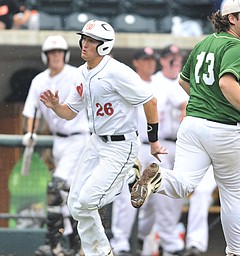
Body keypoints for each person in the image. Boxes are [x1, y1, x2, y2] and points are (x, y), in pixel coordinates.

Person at [130, 1, 240, 256]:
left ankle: (157, 177)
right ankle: (238, 253)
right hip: (227, 130)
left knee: (183, 183)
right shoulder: (237, 47)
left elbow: (184, 81)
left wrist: (206, 102)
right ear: (231, 18)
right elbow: (227, 84)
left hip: (193, 125)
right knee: (233, 199)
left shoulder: (203, 43)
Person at [39, 19, 166, 256]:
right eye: (84, 39)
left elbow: (151, 101)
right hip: (96, 142)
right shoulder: (80, 73)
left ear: (104, 46)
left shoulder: (117, 72)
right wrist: (56, 106)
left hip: (121, 144)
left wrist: (154, 141)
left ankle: (130, 177)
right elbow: (69, 113)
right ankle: (99, 250)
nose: (84, 44)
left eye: (91, 41)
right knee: (75, 205)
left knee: (87, 200)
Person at [111, 45, 189, 256]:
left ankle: (165, 242)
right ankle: (120, 243)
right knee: (127, 196)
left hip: (158, 146)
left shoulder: (160, 84)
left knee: (162, 198)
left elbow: (183, 102)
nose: (149, 63)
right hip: (135, 146)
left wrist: (185, 111)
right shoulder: (129, 81)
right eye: (144, 60)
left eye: (151, 60)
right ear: (136, 62)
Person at [22, 35, 90, 256]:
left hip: (79, 138)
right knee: (68, 195)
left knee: (55, 188)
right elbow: (30, 110)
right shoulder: (39, 80)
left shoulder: (75, 74)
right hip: (58, 142)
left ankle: (53, 244)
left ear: (65, 54)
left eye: (59, 52)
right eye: (52, 53)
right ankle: (76, 245)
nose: (56, 56)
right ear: (45, 56)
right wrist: (30, 132)